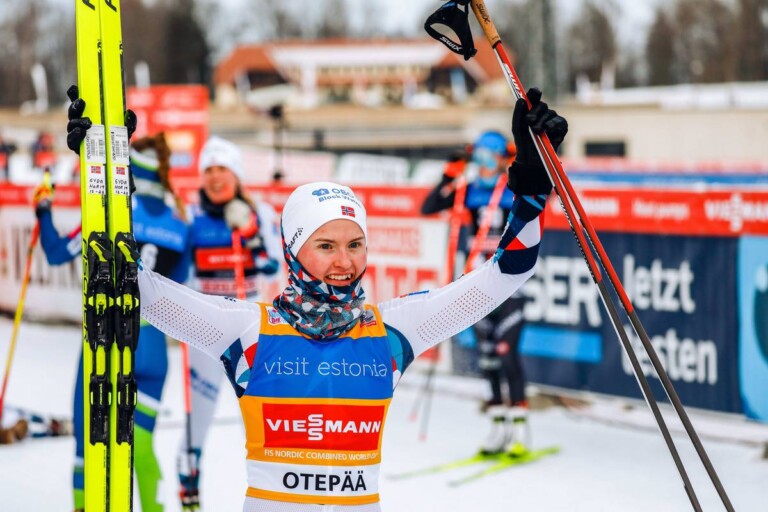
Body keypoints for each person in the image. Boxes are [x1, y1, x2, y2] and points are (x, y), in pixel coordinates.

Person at [130, 87, 566, 511]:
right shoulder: (246, 330)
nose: (344, 261)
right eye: (325, 246)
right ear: (293, 251)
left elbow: (506, 273)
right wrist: (108, 174)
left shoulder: (393, 330)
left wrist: (529, 194)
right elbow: (136, 286)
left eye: (355, 244)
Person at [34, 131, 191, 512]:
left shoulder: (112, 213)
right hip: (154, 348)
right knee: (140, 447)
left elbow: (56, 254)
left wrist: (43, 208)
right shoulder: (180, 221)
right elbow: (180, 283)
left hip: (109, 339)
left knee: (88, 444)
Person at [177, 135, 282, 510]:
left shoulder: (262, 213)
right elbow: (179, 271)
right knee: (197, 419)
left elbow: (273, 265)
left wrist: (251, 234)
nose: (216, 177)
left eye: (223, 169)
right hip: (206, 325)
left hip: (250, 323)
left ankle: (271, 495)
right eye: (209, 170)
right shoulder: (190, 215)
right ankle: (189, 492)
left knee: (260, 418)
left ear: (237, 175)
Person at [421, 129, 531, 455]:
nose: (484, 165)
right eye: (479, 157)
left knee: (506, 354)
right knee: (488, 360)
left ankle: (520, 430)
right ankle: (497, 427)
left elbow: (542, 196)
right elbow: (428, 206)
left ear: (502, 160)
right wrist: (449, 171)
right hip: (478, 285)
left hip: (510, 285)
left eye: (491, 158)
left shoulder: (512, 189)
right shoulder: (467, 192)